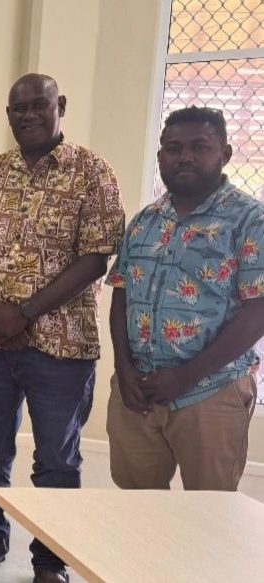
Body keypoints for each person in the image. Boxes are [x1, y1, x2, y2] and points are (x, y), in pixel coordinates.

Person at [0, 74, 125, 583]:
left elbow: (95, 258)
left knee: (57, 460)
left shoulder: (92, 171)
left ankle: (50, 562)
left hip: (63, 345)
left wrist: (23, 314)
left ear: (59, 105)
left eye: (38, 105)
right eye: (17, 108)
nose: (27, 115)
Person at [107, 106, 264, 492]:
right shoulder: (145, 220)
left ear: (224, 154)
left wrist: (185, 376)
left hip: (210, 392)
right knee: (134, 510)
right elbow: (121, 297)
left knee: (207, 516)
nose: (186, 156)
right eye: (173, 148)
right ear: (160, 155)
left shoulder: (250, 220)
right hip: (138, 394)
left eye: (200, 146)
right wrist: (124, 371)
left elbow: (258, 312)